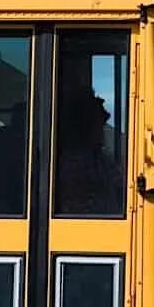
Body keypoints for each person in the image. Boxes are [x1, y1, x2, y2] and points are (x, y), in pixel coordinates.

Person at [55, 87, 122, 216]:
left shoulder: (101, 159)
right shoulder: (74, 163)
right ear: (85, 124)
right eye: (99, 123)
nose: (103, 129)